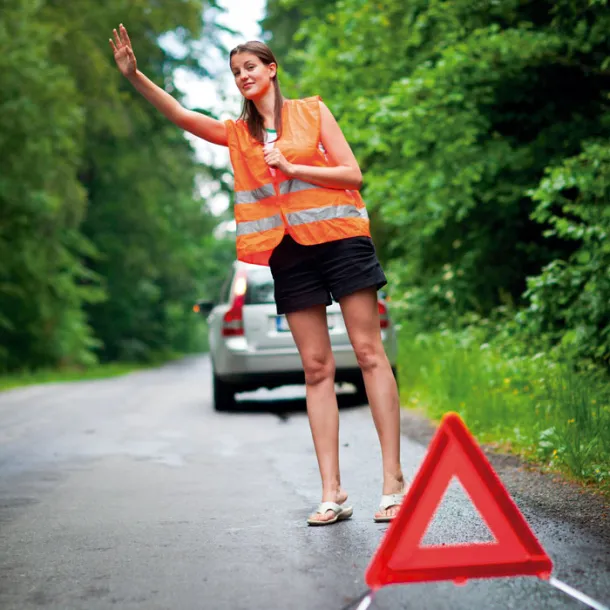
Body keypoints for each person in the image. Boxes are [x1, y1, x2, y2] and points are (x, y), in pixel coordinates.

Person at [110, 25, 406, 525]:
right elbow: (182, 115)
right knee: (315, 368)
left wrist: (294, 167)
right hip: (289, 253)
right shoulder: (238, 134)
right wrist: (136, 76)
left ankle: (393, 482)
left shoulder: (312, 110)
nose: (243, 76)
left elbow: (352, 174)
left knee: (369, 353)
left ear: (271, 69)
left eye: (250, 67)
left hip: (341, 238)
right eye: (235, 72)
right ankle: (332, 491)